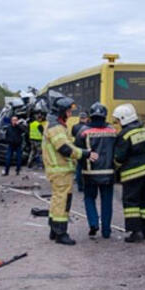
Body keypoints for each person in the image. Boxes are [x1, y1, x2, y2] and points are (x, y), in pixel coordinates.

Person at [43, 92, 97, 245]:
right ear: (60, 111)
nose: (69, 114)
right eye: (67, 111)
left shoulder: (56, 125)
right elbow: (65, 149)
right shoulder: (55, 127)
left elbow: (67, 144)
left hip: (58, 170)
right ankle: (61, 233)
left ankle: (54, 230)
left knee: (57, 199)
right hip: (60, 170)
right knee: (62, 201)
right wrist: (85, 153)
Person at [113, 103, 145, 243]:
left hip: (133, 175)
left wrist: (115, 168)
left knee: (131, 202)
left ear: (123, 118)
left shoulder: (124, 135)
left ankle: (135, 232)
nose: (118, 123)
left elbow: (120, 157)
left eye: (118, 120)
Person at [75, 103, 117, 239]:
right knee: (107, 202)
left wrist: (81, 168)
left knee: (89, 198)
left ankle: (93, 223)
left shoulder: (83, 131)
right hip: (109, 173)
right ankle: (106, 231)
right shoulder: (113, 131)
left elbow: (77, 152)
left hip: (90, 173)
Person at [72, 112, 90, 192]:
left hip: (78, 149)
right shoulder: (88, 127)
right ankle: (87, 185)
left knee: (79, 168)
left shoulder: (75, 127)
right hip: (87, 149)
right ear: (86, 118)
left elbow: (73, 137)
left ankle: (80, 186)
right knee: (87, 168)